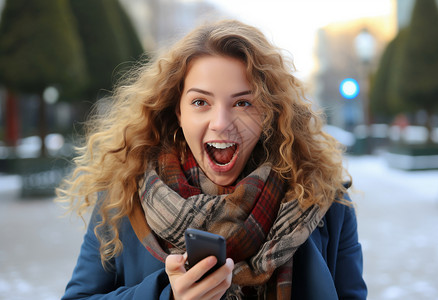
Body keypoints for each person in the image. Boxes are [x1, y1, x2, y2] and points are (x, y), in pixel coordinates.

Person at [58, 19, 367, 300]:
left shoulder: (325, 200)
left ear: (269, 112)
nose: (221, 122)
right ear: (178, 111)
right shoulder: (121, 197)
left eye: (243, 102)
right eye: (200, 102)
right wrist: (166, 296)